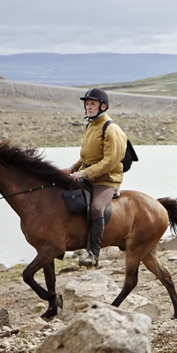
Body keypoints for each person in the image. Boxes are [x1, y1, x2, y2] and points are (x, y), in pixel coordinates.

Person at [66, 87, 128, 267]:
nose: (88, 107)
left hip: (106, 180)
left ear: (103, 106)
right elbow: (87, 158)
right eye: (87, 104)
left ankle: (93, 254)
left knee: (95, 209)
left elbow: (110, 161)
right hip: (90, 176)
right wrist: (71, 169)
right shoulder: (90, 126)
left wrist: (84, 173)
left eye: (92, 104)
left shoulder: (111, 129)